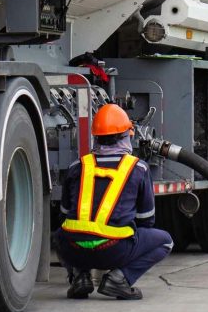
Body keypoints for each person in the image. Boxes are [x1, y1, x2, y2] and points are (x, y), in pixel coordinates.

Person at [56, 103, 173, 300]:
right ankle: (118, 279)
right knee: (165, 241)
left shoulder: (77, 166)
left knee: (61, 234)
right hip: (115, 250)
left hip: (74, 249)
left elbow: (64, 214)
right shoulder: (138, 168)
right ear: (127, 135)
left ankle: (79, 277)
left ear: (95, 137)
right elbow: (146, 220)